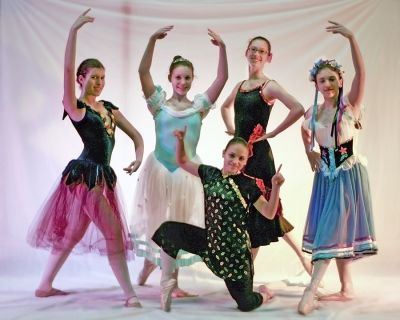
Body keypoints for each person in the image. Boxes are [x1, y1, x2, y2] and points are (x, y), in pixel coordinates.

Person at [26, 9, 144, 308]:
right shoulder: (77, 108)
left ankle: (43, 286)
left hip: (102, 175)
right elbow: (65, 71)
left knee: (74, 233)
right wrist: (73, 32)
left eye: (103, 78)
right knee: (114, 232)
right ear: (81, 79)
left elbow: (137, 137)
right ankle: (129, 294)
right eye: (93, 78)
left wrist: (138, 157)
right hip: (85, 177)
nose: (99, 83)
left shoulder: (108, 108)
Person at [130, 25, 228, 296]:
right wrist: (151, 39)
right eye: (178, 78)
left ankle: (169, 279)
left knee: (179, 223)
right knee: (160, 220)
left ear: (192, 79)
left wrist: (222, 48)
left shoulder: (199, 108)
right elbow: (142, 72)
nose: (182, 82)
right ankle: (154, 266)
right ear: (170, 78)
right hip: (160, 169)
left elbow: (222, 77)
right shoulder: (158, 105)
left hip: (187, 173)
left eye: (187, 78)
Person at [152, 128, 285, 312]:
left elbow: (269, 213)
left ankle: (264, 294)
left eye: (241, 159)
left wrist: (276, 187)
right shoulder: (210, 174)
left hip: (234, 254)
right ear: (224, 153)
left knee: (246, 304)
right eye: (232, 155)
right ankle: (167, 282)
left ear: (246, 161)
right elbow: (182, 161)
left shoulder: (249, 185)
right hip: (209, 241)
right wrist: (181, 140)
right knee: (168, 231)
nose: (235, 161)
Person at [297, 21, 378, 315]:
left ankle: (310, 290)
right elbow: (304, 131)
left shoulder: (350, 105)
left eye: (332, 79)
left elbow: (363, 73)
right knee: (334, 229)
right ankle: (347, 288)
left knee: (331, 230)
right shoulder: (314, 112)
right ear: (316, 85)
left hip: (347, 175)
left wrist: (352, 38)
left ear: (340, 80)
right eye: (322, 81)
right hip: (326, 177)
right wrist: (309, 153)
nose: (327, 85)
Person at [220, 35, 310, 275]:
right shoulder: (239, 85)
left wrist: (272, 133)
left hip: (258, 156)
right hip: (240, 156)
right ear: (246, 52)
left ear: (268, 57)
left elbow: (298, 108)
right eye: (252, 49)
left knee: (269, 211)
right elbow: (224, 106)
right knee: (248, 211)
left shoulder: (268, 86)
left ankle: (301, 260)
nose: (256, 54)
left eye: (261, 51)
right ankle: (247, 271)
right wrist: (233, 130)